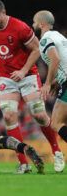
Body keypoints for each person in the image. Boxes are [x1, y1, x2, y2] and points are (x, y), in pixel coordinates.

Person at [0, 0, 64, 173]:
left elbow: (36, 49)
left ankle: (57, 152)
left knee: (39, 115)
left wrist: (24, 70)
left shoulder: (20, 27)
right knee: (9, 116)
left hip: (29, 76)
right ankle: (23, 163)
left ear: (3, 12)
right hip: (6, 78)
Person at [32, 10, 67, 160]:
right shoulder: (60, 36)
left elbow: (56, 59)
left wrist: (47, 84)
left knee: (56, 123)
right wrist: (56, 81)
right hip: (64, 81)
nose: (33, 25)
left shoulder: (45, 39)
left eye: (34, 22)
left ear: (41, 24)